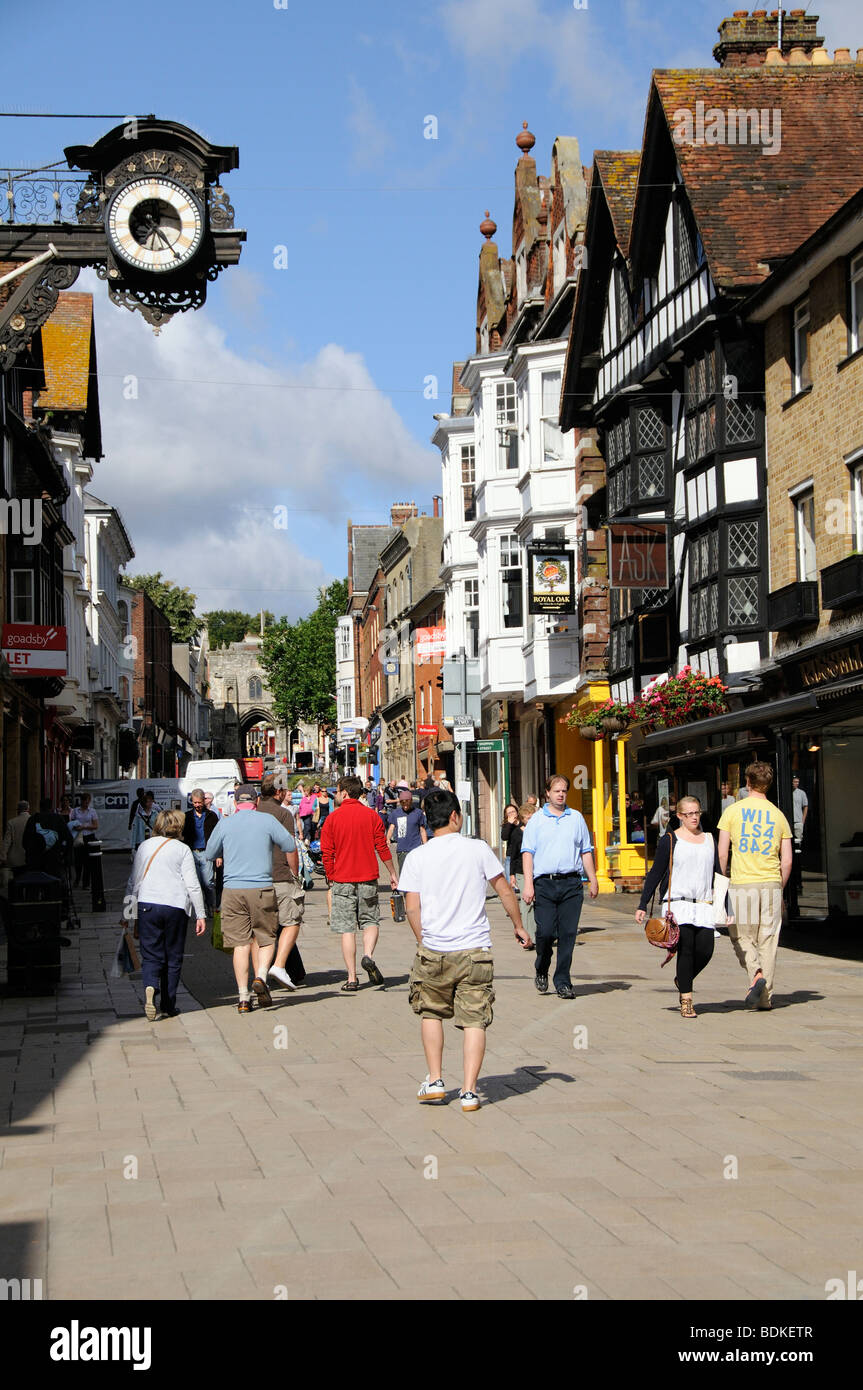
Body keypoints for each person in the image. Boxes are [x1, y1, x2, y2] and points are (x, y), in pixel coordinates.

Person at [400, 788, 531, 1111]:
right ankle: (470, 1092)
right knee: (475, 1020)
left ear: (429, 822)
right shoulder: (478, 849)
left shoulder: (417, 856)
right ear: (456, 816)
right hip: (474, 949)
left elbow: (412, 907)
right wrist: (518, 925)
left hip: (434, 948)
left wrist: (423, 939)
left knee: (431, 1012)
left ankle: (435, 1079)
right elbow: (504, 889)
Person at [205, 784, 298, 1014]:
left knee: (240, 944)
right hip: (262, 887)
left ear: (236, 804)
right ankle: (261, 976)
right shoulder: (267, 821)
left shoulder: (225, 823)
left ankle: (243, 997)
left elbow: (209, 853)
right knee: (266, 938)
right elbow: (289, 844)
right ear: (256, 803)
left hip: (233, 890)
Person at [635, 794, 727, 1018]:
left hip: (704, 904)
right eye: (689, 814)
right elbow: (656, 872)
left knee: (706, 950)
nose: (694, 817)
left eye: (697, 813)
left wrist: (726, 905)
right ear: (680, 816)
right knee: (685, 951)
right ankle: (687, 999)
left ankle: (682, 979)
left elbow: (718, 873)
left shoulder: (709, 839)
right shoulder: (670, 839)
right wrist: (642, 903)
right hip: (679, 904)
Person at [718, 761, 792, 1012]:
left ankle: (755, 972)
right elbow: (787, 860)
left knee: (741, 935)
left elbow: (722, 853)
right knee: (768, 940)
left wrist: (721, 882)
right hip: (771, 882)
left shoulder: (733, 812)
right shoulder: (779, 815)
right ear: (768, 784)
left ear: (747, 783)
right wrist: (779, 887)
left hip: (742, 884)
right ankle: (765, 998)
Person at [520, 774, 599, 999]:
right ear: (547, 793)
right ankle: (541, 968)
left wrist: (592, 879)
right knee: (544, 932)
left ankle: (563, 980)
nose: (561, 794)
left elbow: (585, 850)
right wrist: (528, 884)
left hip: (571, 884)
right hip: (544, 883)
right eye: (556, 791)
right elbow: (528, 853)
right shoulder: (536, 820)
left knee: (567, 934)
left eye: (564, 790)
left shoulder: (576, 818)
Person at [126, 808, 206, 1021]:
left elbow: (133, 882)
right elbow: (193, 885)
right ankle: (169, 1004)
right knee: (173, 956)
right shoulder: (182, 849)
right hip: (175, 905)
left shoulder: (144, 846)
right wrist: (201, 914)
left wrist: (128, 914)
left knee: (151, 954)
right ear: (179, 827)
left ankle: (150, 985)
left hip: (147, 904)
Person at [320, 775, 397, 992]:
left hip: (343, 879)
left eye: (337, 791)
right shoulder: (371, 816)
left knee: (347, 929)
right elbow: (382, 846)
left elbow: (327, 852)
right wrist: (392, 872)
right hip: (368, 877)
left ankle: (352, 978)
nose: (335, 794)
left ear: (344, 793)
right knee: (371, 920)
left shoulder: (333, 819)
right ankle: (368, 955)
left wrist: (331, 875)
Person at [257, 777, 305, 990]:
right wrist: (295, 874)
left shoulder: (253, 813)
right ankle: (279, 966)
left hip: (256, 878)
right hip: (280, 875)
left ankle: (261, 974)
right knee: (290, 922)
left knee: (265, 928)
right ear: (278, 792)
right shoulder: (283, 814)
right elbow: (290, 848)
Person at [182, 789, 218, 914]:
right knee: (195, 883)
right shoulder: (186, 817)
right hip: (191, 853)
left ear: (204, 801)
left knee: (208, 882)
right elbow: (182, 836)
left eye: (199, 802)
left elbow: (217, 836)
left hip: (206, 853)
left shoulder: (212, 816)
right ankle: (200, 910)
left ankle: (211, 906)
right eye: (194, 802)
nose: (197, 805)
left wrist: (218, 854)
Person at [508, 802, 537, 944]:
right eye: (527, 818)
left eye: (532, 818)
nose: (529, 821)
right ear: (522, 819)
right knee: (527, 903)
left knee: (536, 903)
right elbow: (513, 855)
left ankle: (536, 933)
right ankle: (528, 936)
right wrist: (512, 874)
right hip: (521, 871)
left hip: (536, 871)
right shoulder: (517, 833)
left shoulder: (539, 831)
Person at [386, 785, 428, 874]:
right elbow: (391, 827)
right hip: (402, 849)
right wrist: (388, 838)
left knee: (416, 873)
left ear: (411, 801)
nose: (405, 806)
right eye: (403, 803)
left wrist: (425, 845)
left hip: (415, 848)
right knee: (403, 873)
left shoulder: (418, 813)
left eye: (407, 803)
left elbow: (422, 830)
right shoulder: (396, 813)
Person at [0, 800, 31, 893]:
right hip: (29, 857)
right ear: (28, 809)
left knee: (17, 881)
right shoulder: (33, 820)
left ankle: (18, 900)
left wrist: (3, 856)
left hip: (15, 860)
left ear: (18, 810)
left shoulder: (11, 822)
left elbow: (7, 842)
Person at [70, 792, 99, 887]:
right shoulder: (75, 811)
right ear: (81, 801)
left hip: (88, 836)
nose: (86, 804)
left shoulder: (92, 811)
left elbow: (95, 825)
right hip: (78, 836)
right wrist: (76, 827)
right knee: (78, 860)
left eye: (88, 802)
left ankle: (86, 882)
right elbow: (72, 823)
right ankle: (77, 878)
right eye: (84, 802)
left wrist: (84, 826)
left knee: (88, 861)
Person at [791, 775, 809, 891]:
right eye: (794, 782)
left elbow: (805, 806)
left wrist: (802, 820)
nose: (795, 784)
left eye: (797, 782)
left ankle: (798, 878)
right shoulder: (787, 791)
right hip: (789, 821)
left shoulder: (801, 793)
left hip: (798, 822)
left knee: (798, 849)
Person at [129, 791, 157, 856]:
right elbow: (134, 831)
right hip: (141, 841)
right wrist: (133, 846)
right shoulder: (138, 816)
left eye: (151, 801)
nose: (151, 803)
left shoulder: (155, 814)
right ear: (144, 803)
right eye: (148, 802)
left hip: (152, 840)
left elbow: (158, 827)